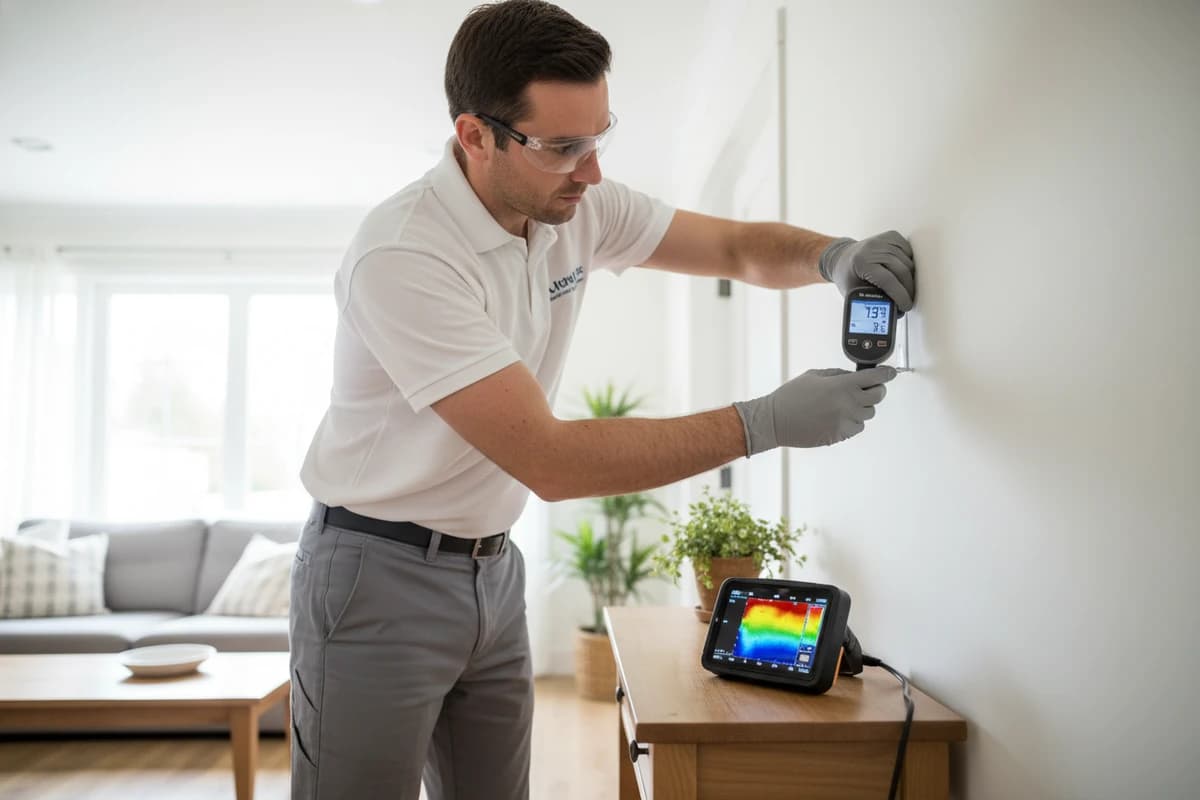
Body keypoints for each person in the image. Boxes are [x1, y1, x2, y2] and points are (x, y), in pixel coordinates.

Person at [288, 1, 915, 798]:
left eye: (598, 137)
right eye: (561, 147)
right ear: (474, 136)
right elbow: (548, 459)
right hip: (373, 575)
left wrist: (833, 256)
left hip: (490, 566)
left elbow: (730, 247)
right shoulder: (406, 254)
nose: (590, 171)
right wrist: (761, 424)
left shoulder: (574, 205)